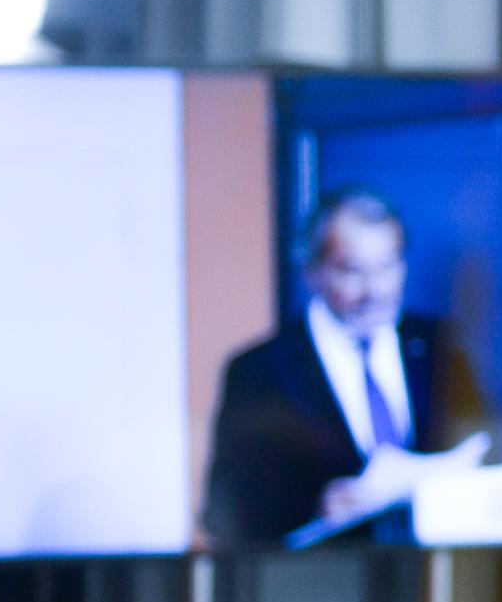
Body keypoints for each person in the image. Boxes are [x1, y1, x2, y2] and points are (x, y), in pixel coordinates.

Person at [202, 189, 482, 546]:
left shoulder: (441, 345)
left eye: (388, 266)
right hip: (324, 582)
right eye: (353, 271)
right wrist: (315, 512)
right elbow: (224, 518)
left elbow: (480, 452)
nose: (375, 290)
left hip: (439, 575)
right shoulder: (259, 372)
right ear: (312, 272)